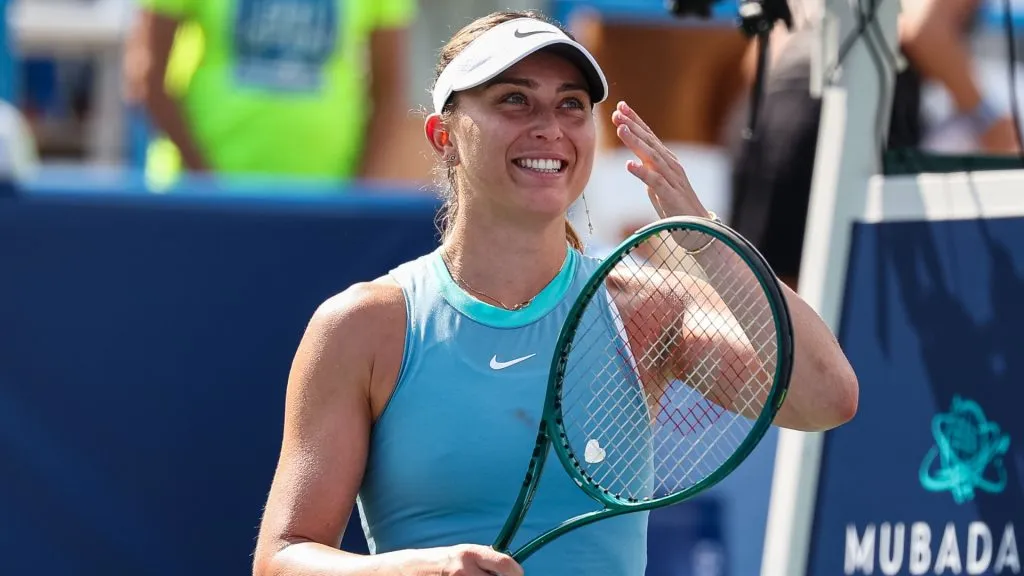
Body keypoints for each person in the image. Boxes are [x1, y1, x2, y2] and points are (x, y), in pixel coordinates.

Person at [252, 10, 859, 576]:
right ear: (444, 135)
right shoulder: (365, 326)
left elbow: (826, 398)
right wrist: (419, 568)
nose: (549, 129)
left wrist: (706, 237)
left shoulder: (641, 308)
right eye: (514, 100)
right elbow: (280, 558)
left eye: (571, 105)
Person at [729, 0, 1020, 289]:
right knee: (825, 304)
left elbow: (758, 58)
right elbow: (922, 30)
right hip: (844, 123)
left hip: (764, 119)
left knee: (757, 300)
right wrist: (989, 120)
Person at [123, 0, 415, 187]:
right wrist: (207, 183)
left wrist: (355, 192)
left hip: (323, 202)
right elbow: (146, 77)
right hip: (196, 198)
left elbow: (389, 91)